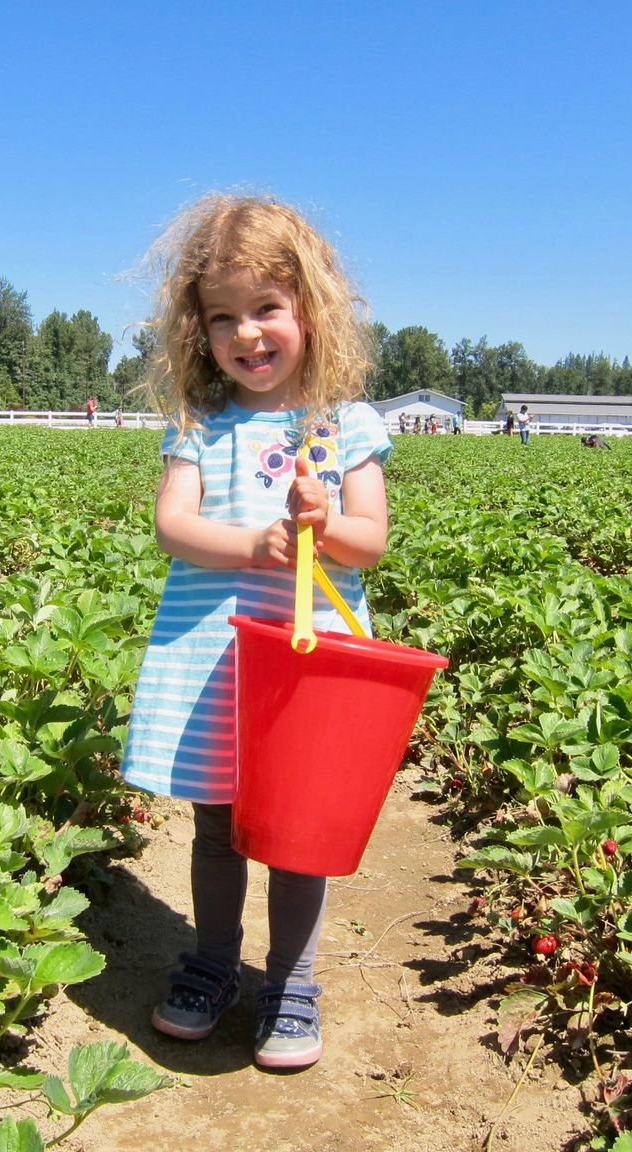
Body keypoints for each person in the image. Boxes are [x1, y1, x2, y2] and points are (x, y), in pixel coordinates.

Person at [120, 194, 391, 1071]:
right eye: (225, 317)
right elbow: (173, 526)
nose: (249, 334)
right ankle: (212, 962)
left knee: (299, 826)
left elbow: (370, 541)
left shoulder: (344, 425)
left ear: (310, 308)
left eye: (267, 309)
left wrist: (322, 522)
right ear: (200, 330)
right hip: (215, 654)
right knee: (218, 826)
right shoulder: (201, 426)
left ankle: (290, 978)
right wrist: (254, 543)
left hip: (307, 660)